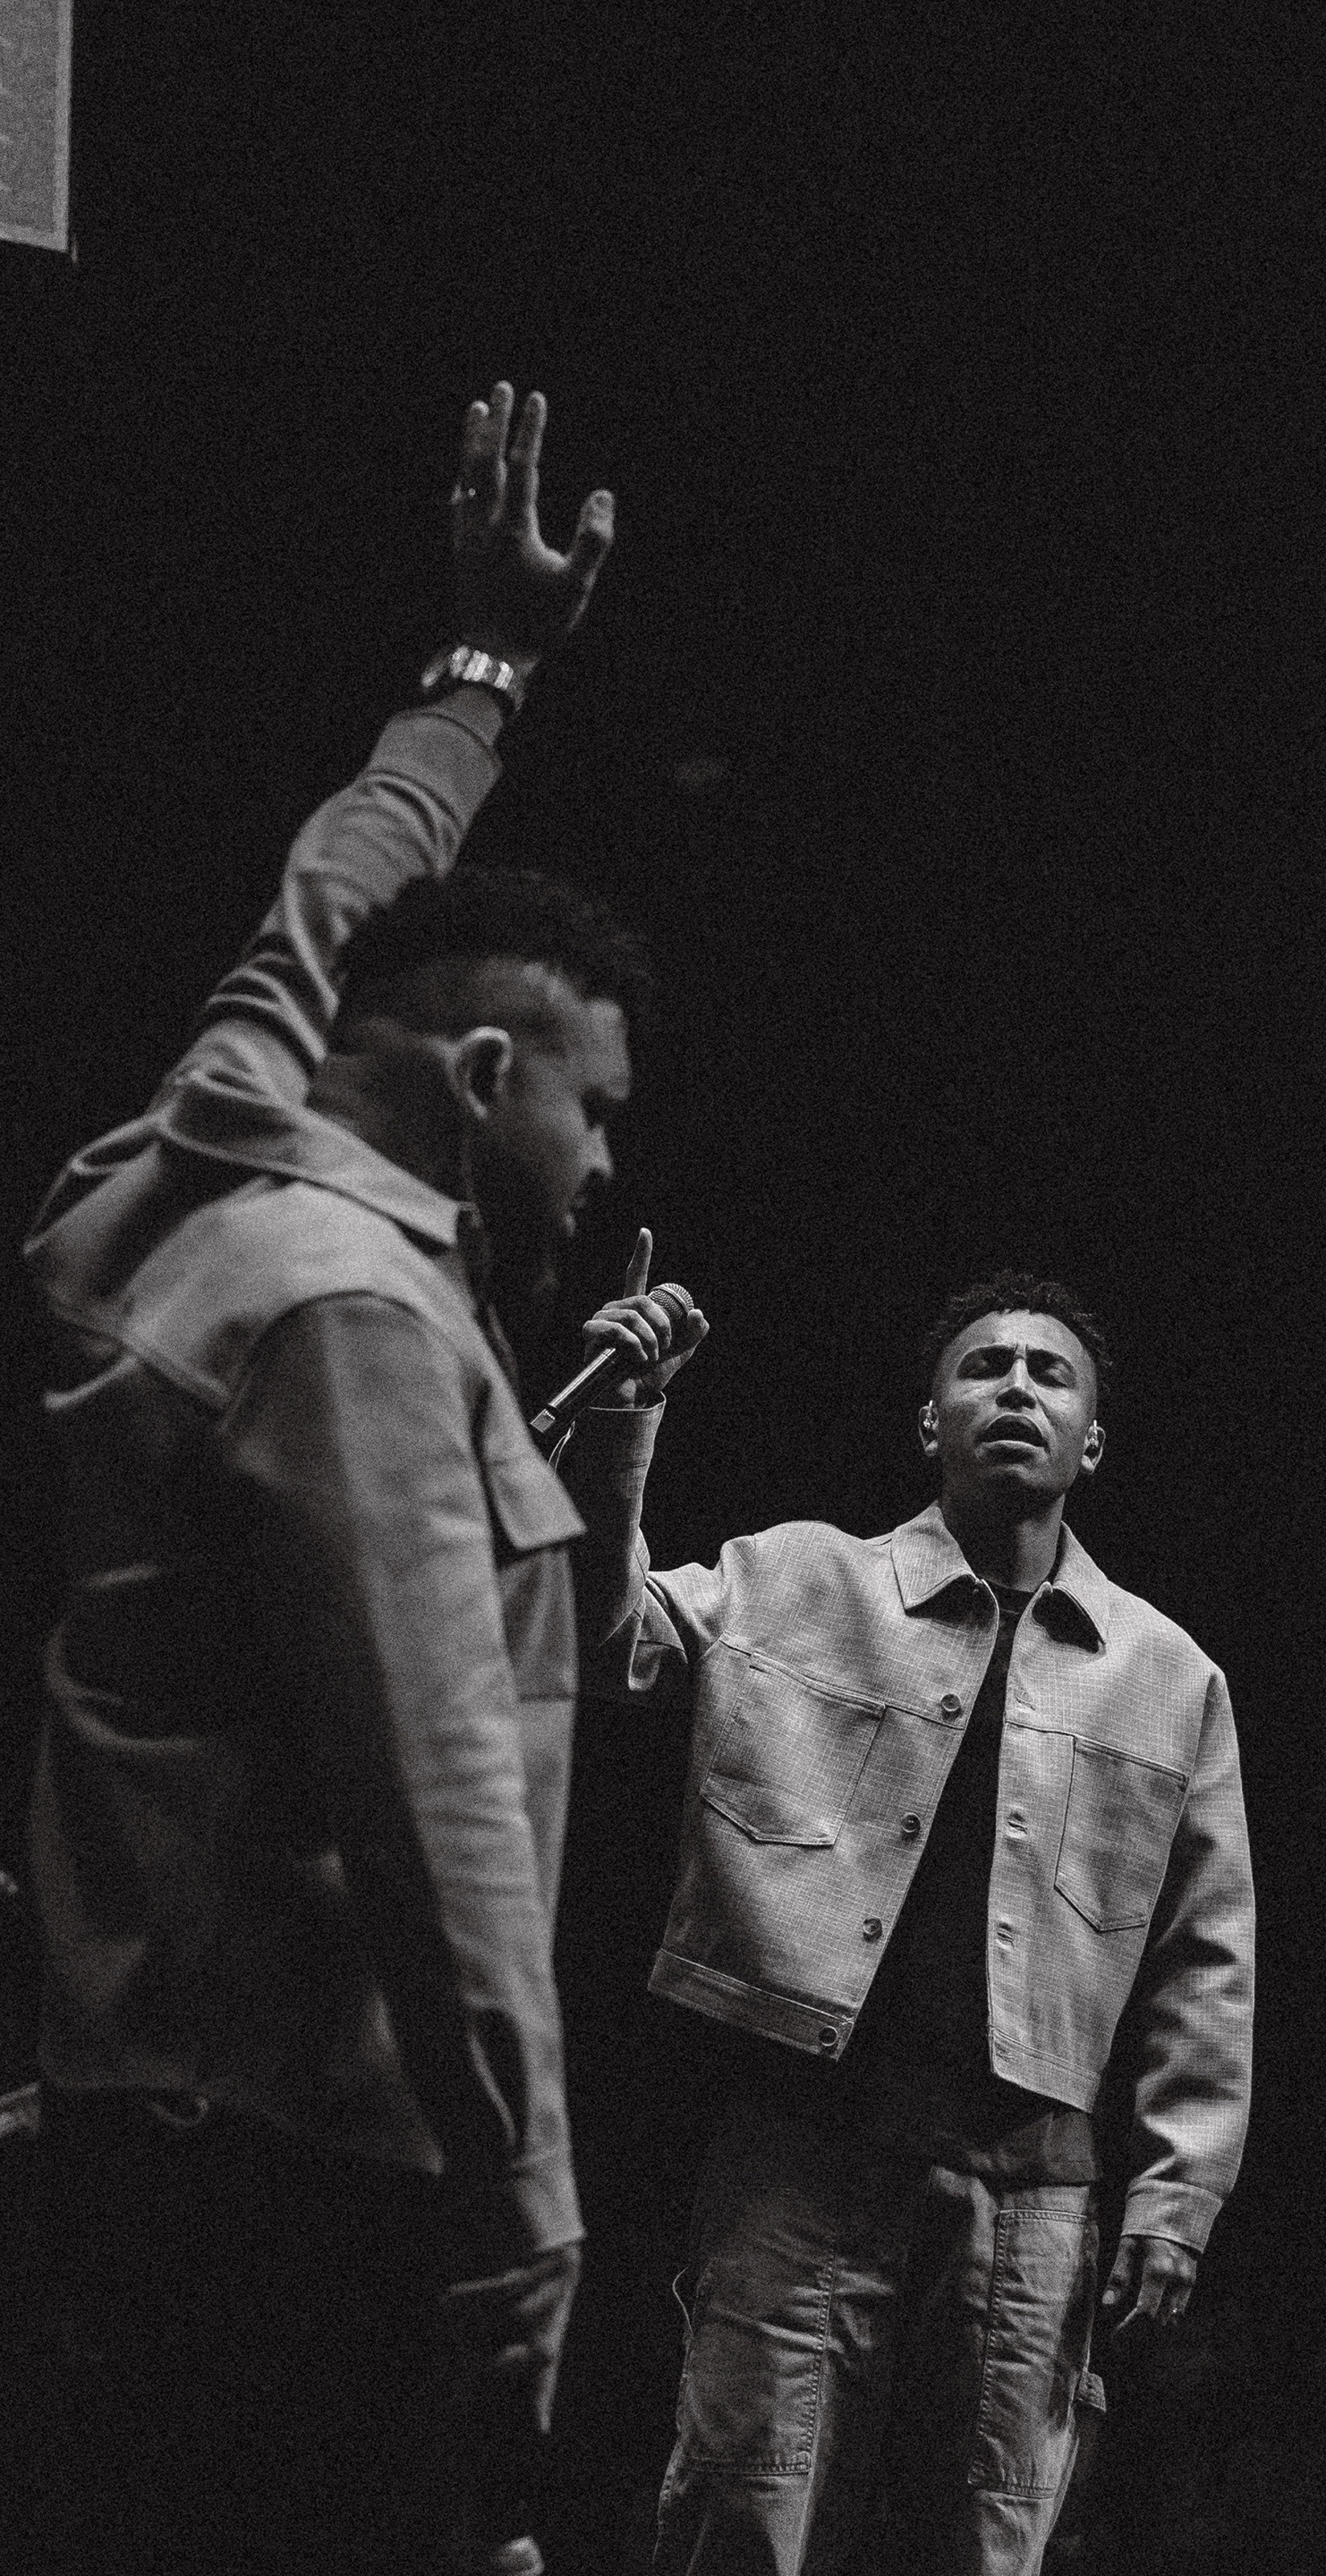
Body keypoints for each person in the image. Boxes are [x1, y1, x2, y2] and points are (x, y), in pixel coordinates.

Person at [21, 380, 656, 2576]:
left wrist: (482, 672)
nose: (604, 1166)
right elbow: (432, 1792)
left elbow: (324, 907)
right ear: (481, 1078)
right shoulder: (354, 1319)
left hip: (147, 2109)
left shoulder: (193, 1169)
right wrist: (532, 2199)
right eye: (594, 1110)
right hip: (288, 2152)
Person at [564, 1244, 1255, 2576]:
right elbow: (601, 1638)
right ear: (928, 1422)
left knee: (982, 2549)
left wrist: (1179, 2195)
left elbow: (1205, 1956)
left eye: (1049, 1373)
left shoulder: (1171, 1678)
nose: (1016, 1388)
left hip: (1033, 2197)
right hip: (801, 2159)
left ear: (1093, 1440)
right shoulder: (795, 1581)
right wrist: (621, 1423)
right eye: (983, 1367)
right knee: (743, 2523)